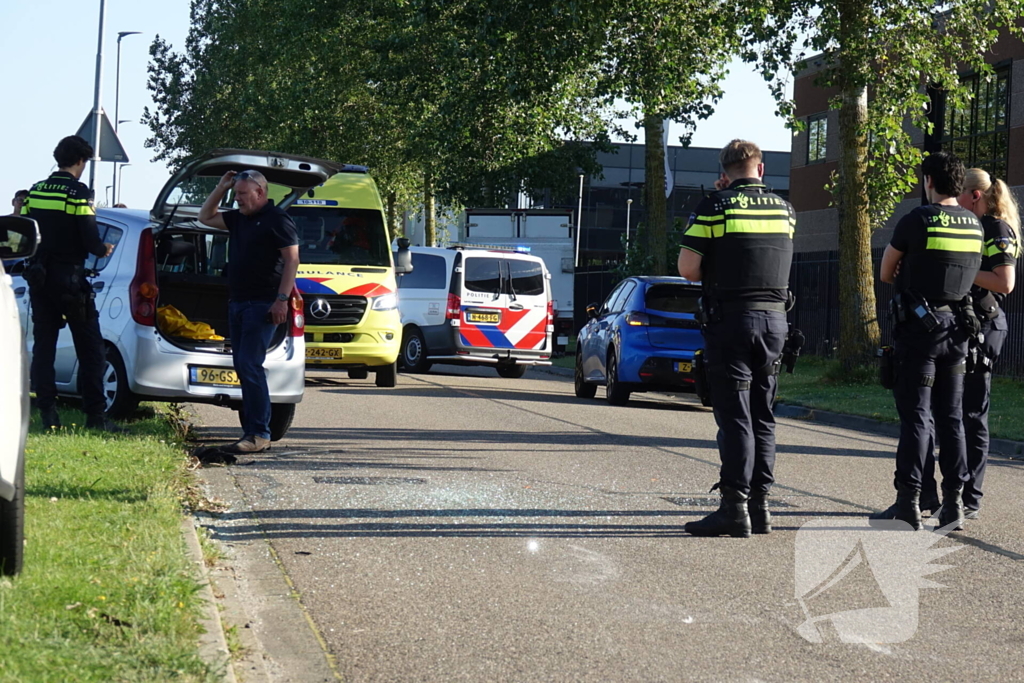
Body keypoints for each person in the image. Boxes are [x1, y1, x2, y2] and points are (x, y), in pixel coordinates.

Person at [677, 139, 795, 538]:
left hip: (731, 322)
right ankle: (761, 508)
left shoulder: (714, 206)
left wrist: (719, 199)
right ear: (761, 170)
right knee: (763, 415)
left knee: (735, 417)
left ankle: (734, 508)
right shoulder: (785, 210)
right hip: (775, 324)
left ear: (725, 172)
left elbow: (689, 269)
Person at [872, 151, 983, 531]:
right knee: (951, 419)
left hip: (920, 332)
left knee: (917, 418)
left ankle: (909, 502)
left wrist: (910, 268)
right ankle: (953, 505)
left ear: (929, 182)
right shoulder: (974, 225)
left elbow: (886, 272)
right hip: (957, 332)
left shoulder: (917, 219)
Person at [917, 168, 1019, 519]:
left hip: (983, 327)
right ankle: (933, 495)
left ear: (974, 196)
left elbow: (1005, 282)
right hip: (958, 325)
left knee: (970, 415)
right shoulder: (963, 224)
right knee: (938, 413)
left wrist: (955, 269)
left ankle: (969, 498)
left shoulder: (995, 228)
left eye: (959, 193)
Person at [21, 136, 120, 432]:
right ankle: (96, 417)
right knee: (90, 349)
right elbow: (90, 239)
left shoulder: (35, 191)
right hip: (71, 281)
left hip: (40, 279)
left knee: (44, 348)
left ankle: (48, 414)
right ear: (80, 161)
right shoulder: (77, 193)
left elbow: (26, 233)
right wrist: (104, 249)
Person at [198, 169, 300, 454]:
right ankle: (254, 431)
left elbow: (292, 260)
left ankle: (259, 434)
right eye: (236, 193)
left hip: (263, 304)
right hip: (238, 302)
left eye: (242, 194)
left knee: (250, 365)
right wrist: (220, 187)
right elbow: (205, 217)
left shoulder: (277, 219)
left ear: (260, 192)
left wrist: (282, 299)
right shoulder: (238, 218)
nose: (237, 199)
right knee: (243, 366)